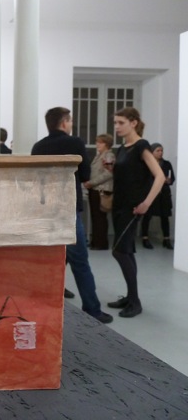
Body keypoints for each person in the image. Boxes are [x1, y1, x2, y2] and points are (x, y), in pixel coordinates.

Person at [31, 107, 113, 324]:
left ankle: (41, 306)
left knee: (48, 259)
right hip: (68, 208)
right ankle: (92, 309)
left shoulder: (38, 147)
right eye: (70, 121)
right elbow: (85, 175)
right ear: (64, 122)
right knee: (80, 261)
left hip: (46, 209)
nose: (71, 124)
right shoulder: (75, 143)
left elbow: (34, 179)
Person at [109, 107, 165, 318]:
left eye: (121, 123)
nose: (117, 127)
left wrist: (146, 203)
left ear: (133, 123)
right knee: (127, 251)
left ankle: (135, 302)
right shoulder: (122, 148)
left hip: (132, 208)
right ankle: (130, 297)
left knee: (119, 251)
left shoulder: (142, 146)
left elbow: (160, 176)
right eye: (115, 123)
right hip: (119, 205)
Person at [83, 133, 115, 250]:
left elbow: (108, 173)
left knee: (100, 217)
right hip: (95, 189)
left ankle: (101, 243)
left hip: (101, 190)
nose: (97, 144)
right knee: (96, 217)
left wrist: (92, 182)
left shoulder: (108, 156)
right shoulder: (99, 156)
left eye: (100, 142)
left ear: (106, 144)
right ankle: (96, 241)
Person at [141, 143, 175, 250]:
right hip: (151, 193)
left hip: (164, 194)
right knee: (147, 216)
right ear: (152, 152)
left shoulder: (166, 164)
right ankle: (145, 238)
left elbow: (172, 178)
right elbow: (143, 179)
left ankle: (166, 239)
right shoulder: (147, 164)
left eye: (161, 150)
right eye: (158, 151)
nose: (160, 153)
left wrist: (169, 181)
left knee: (165, 216)